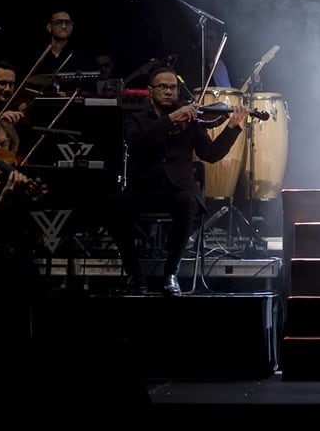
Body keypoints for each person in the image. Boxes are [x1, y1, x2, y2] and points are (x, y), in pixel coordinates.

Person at [101, 67, 245, 295]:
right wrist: (170, 119)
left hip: (177, 189)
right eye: (163, 87)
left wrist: (232, 128)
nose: (169, 92)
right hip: (145, 189)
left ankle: (171, 273)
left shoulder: (192, 119)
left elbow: (210, 154)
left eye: (173, 87)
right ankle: (134, 273)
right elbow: (137, 141)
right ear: (150, 91)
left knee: (187, 202)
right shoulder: (137, 118)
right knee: (113, 204)